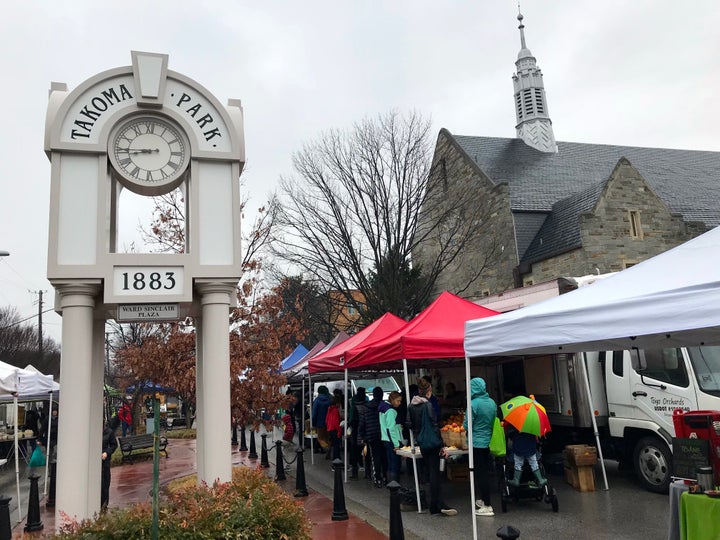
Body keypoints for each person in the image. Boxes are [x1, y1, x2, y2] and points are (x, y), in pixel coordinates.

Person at [408, 378, 457, 516]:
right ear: (428, 391)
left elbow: (409, 424)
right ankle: (436, 504)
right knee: (436, 474)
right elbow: (434, 424)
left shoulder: (411, 406)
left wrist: (419, 431)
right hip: (433, 442)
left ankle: (434, 504)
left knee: (430, 472)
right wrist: (441, 444)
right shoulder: (428, 405)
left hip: (422, 442)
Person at [464, 377, 497, 517]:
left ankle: (487, 505)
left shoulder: (473, 404)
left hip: (476, 443)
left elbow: (467, 425)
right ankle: (484, 500)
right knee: (485, 472)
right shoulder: (492, 402)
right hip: (487, 441)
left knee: (480, 474)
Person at [359, 386, 387, 488]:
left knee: (375, 458)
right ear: (382, 395)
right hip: (384, 434)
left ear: (373, 395)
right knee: (385, 456)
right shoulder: (385, 406)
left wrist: (362, 435)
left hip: (372, 435)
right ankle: (385, 477)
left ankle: (377, 479)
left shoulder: (366, 407)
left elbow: (362, 423)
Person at [381, 391, 403, 483]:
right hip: (392, 441)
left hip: (386, 439)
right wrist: (396, 444)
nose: (399, 403)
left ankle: (390, 484)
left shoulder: (383, 409)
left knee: (390, 463)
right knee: (395, 464)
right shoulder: (391, 411)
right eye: (398, 401)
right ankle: (395, 486)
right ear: (393, 400)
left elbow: (386, 426)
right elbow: (391, 429)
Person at [347, 387, 367, 479]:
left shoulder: (355, 408)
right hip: (367, 433)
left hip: (357, 433)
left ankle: (355, 474)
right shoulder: (367, 406)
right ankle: (368, 473)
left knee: (355, 452)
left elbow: (353, 421)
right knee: (367, 453)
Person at [101, 416, 120, 512]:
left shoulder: (109, 432)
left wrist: (107, 453)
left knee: (105, 482)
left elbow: (114, 445)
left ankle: (104, 503)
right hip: (94, 461)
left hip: (105, 461)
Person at [311, 385, 332, 454]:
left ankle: (326, 448)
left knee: (320, 438)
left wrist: (313, 423)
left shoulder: (317, 401)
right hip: (328, 423)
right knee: (327, 438)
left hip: (319, 423)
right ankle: (328, 450)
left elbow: (314, 414)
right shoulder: (329, 400)